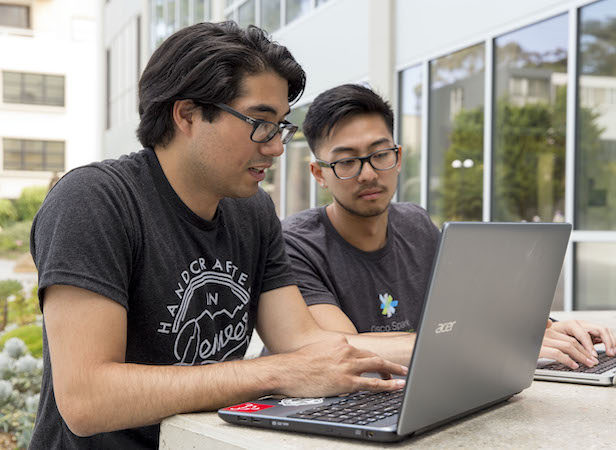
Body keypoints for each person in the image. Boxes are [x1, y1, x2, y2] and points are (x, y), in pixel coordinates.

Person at [29, 23, 408, 449]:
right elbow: (87, 399)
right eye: (261, 123)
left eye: (281, 126)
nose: (276, 147)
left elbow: (302, 340)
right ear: (187, 114)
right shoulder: (95, 201)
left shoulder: (252, 210)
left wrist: (445, 348)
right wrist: (279, 372)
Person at [280, 84, 616, 371]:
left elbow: (477, 304)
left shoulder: (416, 223)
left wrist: (548, 329)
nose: (368, 173)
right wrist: (493, 342)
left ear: (398, 157)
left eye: (380, 154)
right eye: (347, 161)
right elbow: (345, 349)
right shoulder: (296, 243)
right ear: (319, 174)